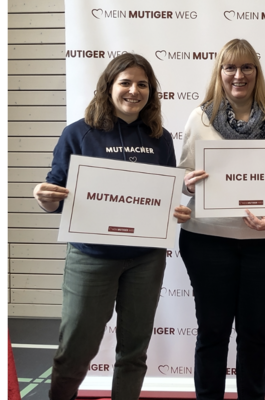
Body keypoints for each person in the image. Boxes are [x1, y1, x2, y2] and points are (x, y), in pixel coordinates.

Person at [33, 53, 192, 400]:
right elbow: (54, 194)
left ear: (151, 92)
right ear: (108, 87)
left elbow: (164, 196)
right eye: (126, 82)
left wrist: (174, 212)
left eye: (142, 84)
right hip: (91, 258)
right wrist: (44, 197)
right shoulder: (78, 133)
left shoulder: (160, 137)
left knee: (134, 351)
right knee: (75, 349)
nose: (134, 90)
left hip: (145, 260)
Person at [177, 38, 265, 400]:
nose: (238, 75)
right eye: (229, 67)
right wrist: (187, 183)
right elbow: (182, 178)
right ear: (220, 72)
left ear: (257, 72)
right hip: (207, 241)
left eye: (247, 67)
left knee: (254, 335)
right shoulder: (200, 117)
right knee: (212, 333)